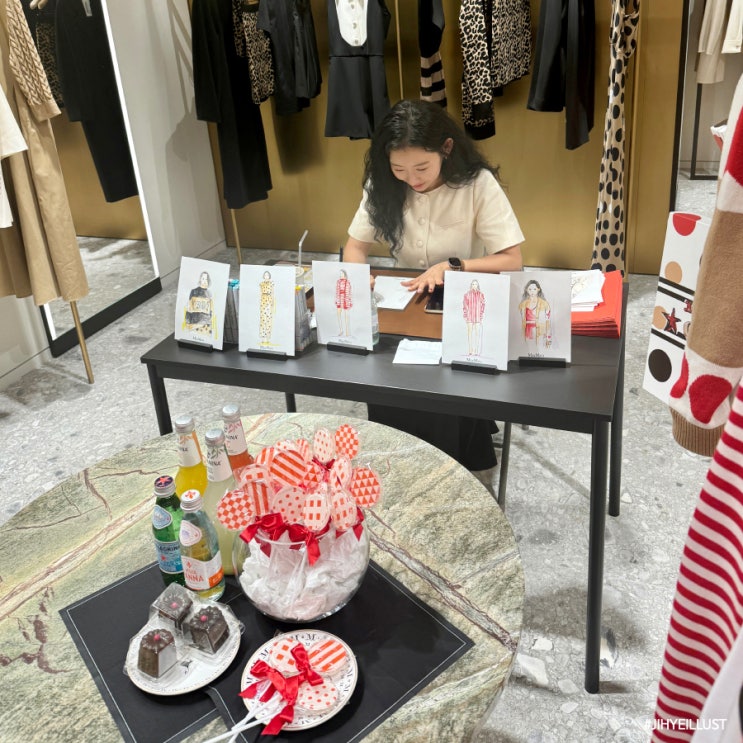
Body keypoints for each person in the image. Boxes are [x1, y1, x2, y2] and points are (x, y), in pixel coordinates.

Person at [342, 99, 524, 490]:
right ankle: (396, 462)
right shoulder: (383, 184)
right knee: (387, 372)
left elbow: (512, 260)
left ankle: (451, 469)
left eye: (421, 168)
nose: (411, 179)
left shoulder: (476, 184)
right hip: (407, 301)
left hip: (466, 299)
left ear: (446, 148)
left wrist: (453, 266)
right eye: (399, 169)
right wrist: (358, 279)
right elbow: (355, 246)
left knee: (444, 384)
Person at [518, 279, 552, 356]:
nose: (532, 291)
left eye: (534, 289)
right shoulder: (523, 304)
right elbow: (521, 321)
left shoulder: (544, 304)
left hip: (540, 333)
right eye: (530, 289)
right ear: (526, 290)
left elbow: (548, 321)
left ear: (538, 289)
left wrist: (548, 337)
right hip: (527, 332)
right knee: (528, 352)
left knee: (539, 352)